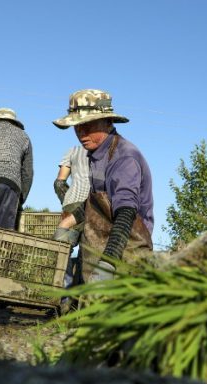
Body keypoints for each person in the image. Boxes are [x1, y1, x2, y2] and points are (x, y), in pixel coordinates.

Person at [52, 89, 154, 284]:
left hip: (126, 248)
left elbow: (125, 212)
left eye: (88, 125)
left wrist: (108, 263)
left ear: (108, 122)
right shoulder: (96, 154)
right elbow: (96, 202)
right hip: (99, 241)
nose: (81, 133)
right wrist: (68, 223)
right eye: (77, 126)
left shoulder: (124, 158)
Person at [52, 144, 89, 244]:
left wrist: (67, 201)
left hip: (72, 203)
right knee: (88, 250)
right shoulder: (108, 151)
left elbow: (59, 183)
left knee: (64, 249)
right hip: (95, 206)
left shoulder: (73, 150)